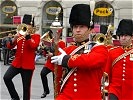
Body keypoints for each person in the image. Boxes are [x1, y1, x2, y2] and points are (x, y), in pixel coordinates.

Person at [50, 4, 109, 100]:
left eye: (81, 27)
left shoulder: (99, 49)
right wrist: (54, 50)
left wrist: (67, 60)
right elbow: (57, 75)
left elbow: (89, 61)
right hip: (66, 96)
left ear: (90, 29)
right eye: (75, 27)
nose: (77, 30)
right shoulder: (67, 50)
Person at [3, 14, 40, 100]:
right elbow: (9, 47)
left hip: (28, 65)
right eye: (24, 25)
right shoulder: (19, 36)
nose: (26, 26)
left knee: (26, 88)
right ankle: (15, 97)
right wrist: (14, 39)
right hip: (17, 63)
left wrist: (28, 37)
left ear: (31, 26)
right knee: (6, 78)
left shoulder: (36, 36)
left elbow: (33, 46)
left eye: (27, 25)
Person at [104, 19, 133, 100]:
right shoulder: (112, 52)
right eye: (121, 36)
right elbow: (107, 73)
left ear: (131, 37)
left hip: (130, 91)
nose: (123, 38)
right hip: (114, 90)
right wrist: (106, 89)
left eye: (126, 36)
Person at [40, 29, 66, 98]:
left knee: (56, 81)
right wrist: (45, 50)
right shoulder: (50, 41)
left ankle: (57, 95)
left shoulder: (62, 43)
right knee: (43, 73)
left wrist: (53, 54)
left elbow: (61, 54)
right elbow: (46, 52)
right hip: (50, 62)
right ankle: (46, 90)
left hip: (57, 63)